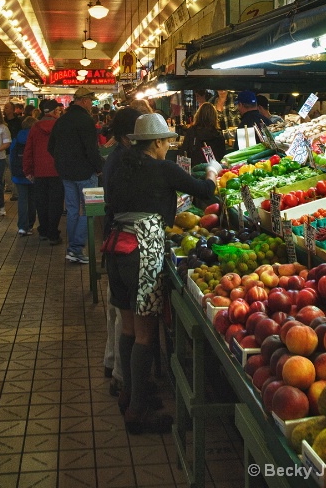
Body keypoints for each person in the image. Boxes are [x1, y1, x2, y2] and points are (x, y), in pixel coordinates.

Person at [103, 113, 222, 434]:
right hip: (144, 250)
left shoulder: (121, 168)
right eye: (167, 141)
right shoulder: (164, 168)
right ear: (155, 142)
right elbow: (205, 191)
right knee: (145, 332)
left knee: (128, 329)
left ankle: (130, 394)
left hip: (115, 248)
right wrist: (213, 171)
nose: (169, 146)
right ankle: (137, 413)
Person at [101, 107, 142, 397]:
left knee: (115, 308)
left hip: (114, 240)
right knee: (125, 316)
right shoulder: (124, 160)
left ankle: (111, 361)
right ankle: (121, 375)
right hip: (125, 243)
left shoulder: (115, 156)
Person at [47, 86, 103, 264]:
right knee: (91, 210)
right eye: (91, 101)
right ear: (84, 100)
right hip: (87, 173)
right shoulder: (86, 121)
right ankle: (76, 249)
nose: (91, 104)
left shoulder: (61, 120)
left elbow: (51, 147)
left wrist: (63, 162)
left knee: (72, 211)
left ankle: (73, 249)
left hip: (66, 174)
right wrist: (99, 167)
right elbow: (91, 150)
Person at [23, 98, 64, 245]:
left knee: (41, 202)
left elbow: (28, 149)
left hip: (39, 171)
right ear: (54, 112)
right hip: (57, 170)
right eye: (58, 111)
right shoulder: (60, 126)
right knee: (56, 203)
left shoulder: (35, 127)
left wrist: (28, 169)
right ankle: (53, 233)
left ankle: (43, 231)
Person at [10, 116, 37, 236]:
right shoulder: (35, 138)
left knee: (22, 200)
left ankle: (22, 226)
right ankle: (30, 225)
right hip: (32, 174)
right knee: (32, 200)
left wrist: (14, 172)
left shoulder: (16, 139)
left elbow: (11, 157)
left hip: (19, 174)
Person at [178, 102, 226, 167]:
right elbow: (222, 158)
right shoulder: (219, 135)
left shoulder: (192, 131)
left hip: (194, 171)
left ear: (198, 115)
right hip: (214, 172)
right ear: (214, 117)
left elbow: (183, 153)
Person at [4, 101, 22, 200]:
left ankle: (15, 193)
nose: (4, 109)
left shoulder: (18, 122)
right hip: (3, 150)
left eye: (7, 108)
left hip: (14, 150)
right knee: (6, 171)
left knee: (13, 170)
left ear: (12, 109)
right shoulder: (2, 122)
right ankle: (9, 188)